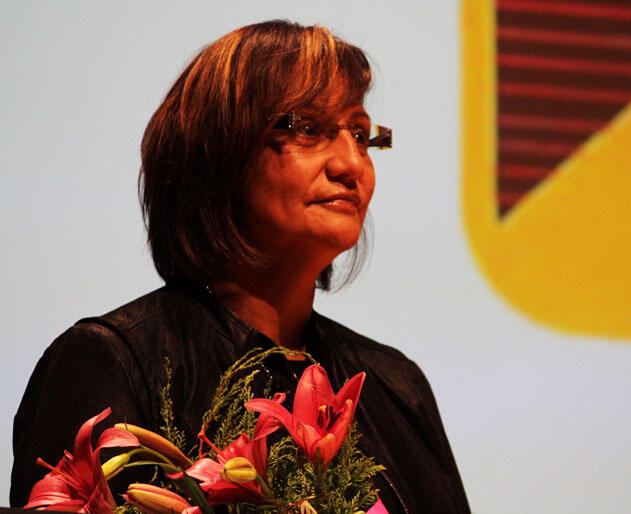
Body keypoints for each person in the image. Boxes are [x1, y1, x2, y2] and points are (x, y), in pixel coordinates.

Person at [10, 20, 471, 513]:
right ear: (217, 152)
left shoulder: (397, 385)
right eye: (309, 128)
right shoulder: (114, 361)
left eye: (361, 135)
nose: (352, 163)